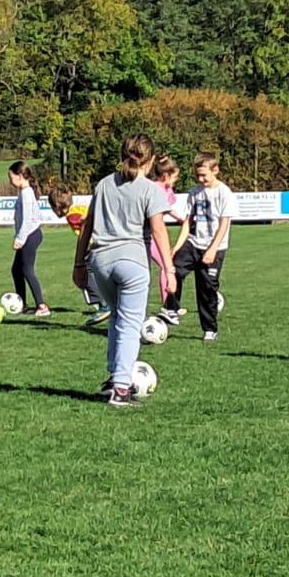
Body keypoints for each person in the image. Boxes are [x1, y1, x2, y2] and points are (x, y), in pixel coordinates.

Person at [74, 134, 174, 406]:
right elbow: (158, 230)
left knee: (118, 318)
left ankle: (111, 379)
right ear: (151, 160)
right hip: (132, 263)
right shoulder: (150, 189)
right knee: (130, 324)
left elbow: (87, 225)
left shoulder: (104, 184)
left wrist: (79, 263)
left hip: (101, 263)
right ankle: (120, 388)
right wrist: (170, 270)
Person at [163, 152, 236, 340]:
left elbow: (224, 225)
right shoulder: (195, 192)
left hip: (214, 247)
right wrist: (177, 247)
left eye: (204, 175)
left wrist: (212, 250)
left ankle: (210, 329)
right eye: (198, 175)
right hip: (194, 243)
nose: (201, 179)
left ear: (215, 170)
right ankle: (172, 309)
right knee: (173, 270)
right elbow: (188, 222)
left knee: (206, 289)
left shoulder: (224, 193)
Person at [50, 186, 110, 325]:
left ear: (57, 207)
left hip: (91, 247)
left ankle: (103, 306)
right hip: (102, 244)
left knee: (84, 277)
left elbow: (86, 224)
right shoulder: (79, 208)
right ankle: (108, 303)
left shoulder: (72, 216)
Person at [8, 161, 50, 316]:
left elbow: (28, 220)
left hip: (30, 235)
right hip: (29, 234)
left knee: (27, 270)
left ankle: (42, 306)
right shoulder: (24, 192)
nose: (10, 181)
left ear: (19, 176)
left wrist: (19, 238)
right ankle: (22, 305)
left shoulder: (26, 193)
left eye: (11, 177)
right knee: (16, 270)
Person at [149, 155, 184, 313]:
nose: (176, 180)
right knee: (166, 266)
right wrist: (181, 219)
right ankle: (168, 306)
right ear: (166, 175)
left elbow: (169, 208)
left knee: (166, 265)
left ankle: (169, 305)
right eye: (175, 177)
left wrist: (181, 219)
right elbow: (166, 209)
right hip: (151, 234)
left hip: (157, 232)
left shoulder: (167, 189)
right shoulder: (155, 188)